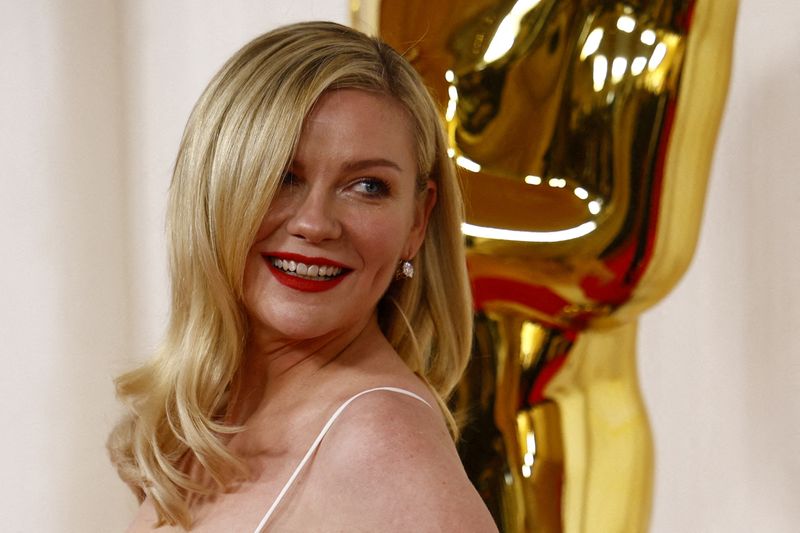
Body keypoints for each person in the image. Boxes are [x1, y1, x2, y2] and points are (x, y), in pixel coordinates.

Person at [108, 20, 498, 532]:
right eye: (282, 177)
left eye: (367, 186)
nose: (315, 223)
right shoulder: (211, 422)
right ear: (214, 188)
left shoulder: (381, 445)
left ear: (417, 222)